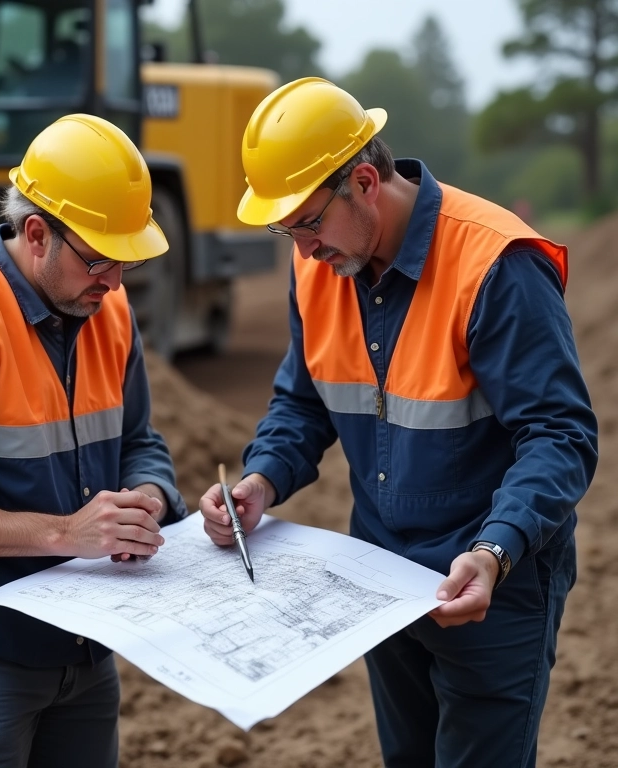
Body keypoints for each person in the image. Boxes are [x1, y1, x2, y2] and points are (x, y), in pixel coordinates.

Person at [199, 78, 598, 767]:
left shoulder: (494, 265)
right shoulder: (320, 270)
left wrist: (494, 551)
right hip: (379, 579)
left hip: (490, 585)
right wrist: (261, 479)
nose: (302, 249)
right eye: (284, 229)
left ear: (363, 180)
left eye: (308, 223)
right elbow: (303, 402)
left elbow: (559, 436)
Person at [0, 114, 188, 767]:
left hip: (86, 650)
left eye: (126, 262)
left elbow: (139, 439)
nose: (116, 284)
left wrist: (149, 496)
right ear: (37, 234)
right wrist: (64, 534)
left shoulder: (108, 309)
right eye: (102, 260)